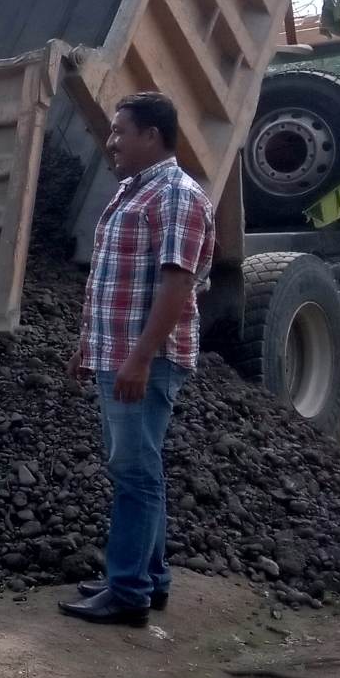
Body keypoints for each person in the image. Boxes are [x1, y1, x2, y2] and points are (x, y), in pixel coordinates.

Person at [62, 91, 213, 626]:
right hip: (117, 353)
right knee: (139, 468)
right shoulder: (134, 190)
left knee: (134, 474)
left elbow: (177, 286)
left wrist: (140, 359)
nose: (111, 142)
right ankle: (150, 579)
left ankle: (128, 592)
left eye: (120, 131)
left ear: (152, 135)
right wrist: (88, 346)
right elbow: (114, 280)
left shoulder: (175, 195)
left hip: (145, 360)